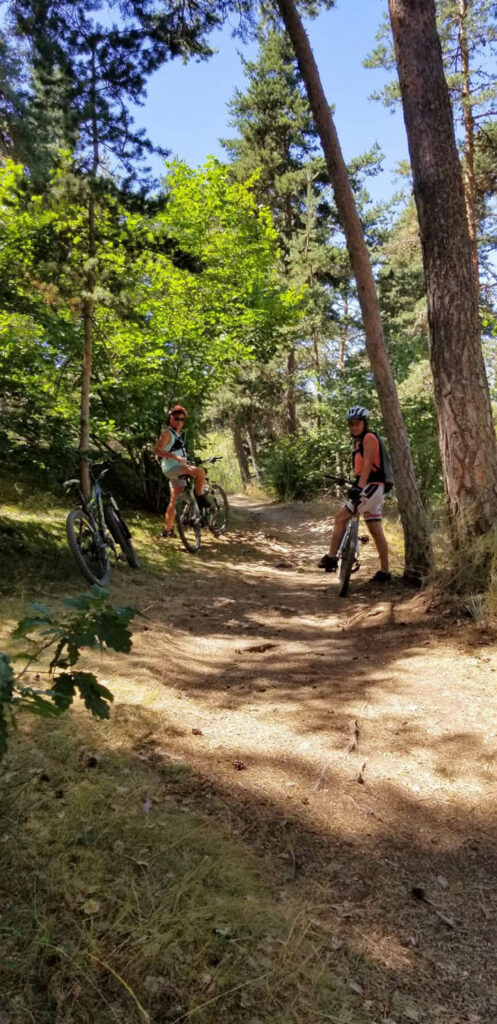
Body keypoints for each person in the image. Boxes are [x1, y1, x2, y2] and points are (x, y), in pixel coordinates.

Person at [318, 406, 391, 583]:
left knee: (340, 518)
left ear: (365, 423)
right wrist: (355, 483)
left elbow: (367, 466)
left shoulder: (369, 438)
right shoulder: (357, 442)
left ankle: (332, 557)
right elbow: (362, 469)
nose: (353, 427)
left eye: (357, 423)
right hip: (371, 487)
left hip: (372, 487)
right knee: (375, 530)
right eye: (350, 424)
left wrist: (360, 487)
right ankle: (385, 573)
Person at [154, 405, 210, 539]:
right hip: (173, 467)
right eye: (176, 418)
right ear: (171, 418)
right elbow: (157, 450)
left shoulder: (177, 434)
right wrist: (175, 457)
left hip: (175, 468)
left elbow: (174, 451)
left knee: (173, 501)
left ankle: (167, 531)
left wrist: (184, 459)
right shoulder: (167, 433)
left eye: (182, 419)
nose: (179, 422)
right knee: (200, 472)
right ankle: (200, 498)